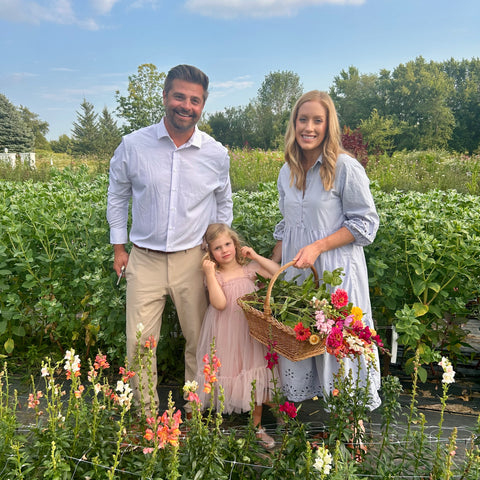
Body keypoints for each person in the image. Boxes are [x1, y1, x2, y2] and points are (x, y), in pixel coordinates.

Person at [106, 65, 233, 417]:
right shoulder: (133, 146)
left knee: (200, 340)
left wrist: (217, 247)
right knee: (139, 344)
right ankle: (148, 417)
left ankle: (195, 411)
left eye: (195, 100)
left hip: (194, 260)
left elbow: (224, 202)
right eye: (179, 96)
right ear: (165, 97)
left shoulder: (215, 153)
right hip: (144, 259)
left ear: (202, 106)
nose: (186, 105)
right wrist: (119, 247)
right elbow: (117, 195)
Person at [271, 90, 381, 411]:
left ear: (328, 125)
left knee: (340, 345)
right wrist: (265, 266)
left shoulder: (344, 167)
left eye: (317, 120)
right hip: (298, 276)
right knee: (303, 342)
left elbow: (365, 224)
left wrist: (318, 246)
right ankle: (308, 437)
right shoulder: (286, 171)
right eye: (303, 119)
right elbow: (287, 227)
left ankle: (352, 428)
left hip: (337, 275)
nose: (309, 127)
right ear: (294, 124)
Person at [194, 223, 281, 449]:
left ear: (235, 244)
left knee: (256, 374)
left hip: (250, 331)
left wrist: (256, 256)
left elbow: (277, 273)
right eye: (217, 248)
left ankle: (262, 423)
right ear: (210, 253)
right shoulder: (216, 276)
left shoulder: (249, 269)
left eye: (227, 244)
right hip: (227, 331)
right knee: (237, 372)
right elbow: (220, 303)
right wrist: (209, 273)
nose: (224, 250)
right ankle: (256, 429)